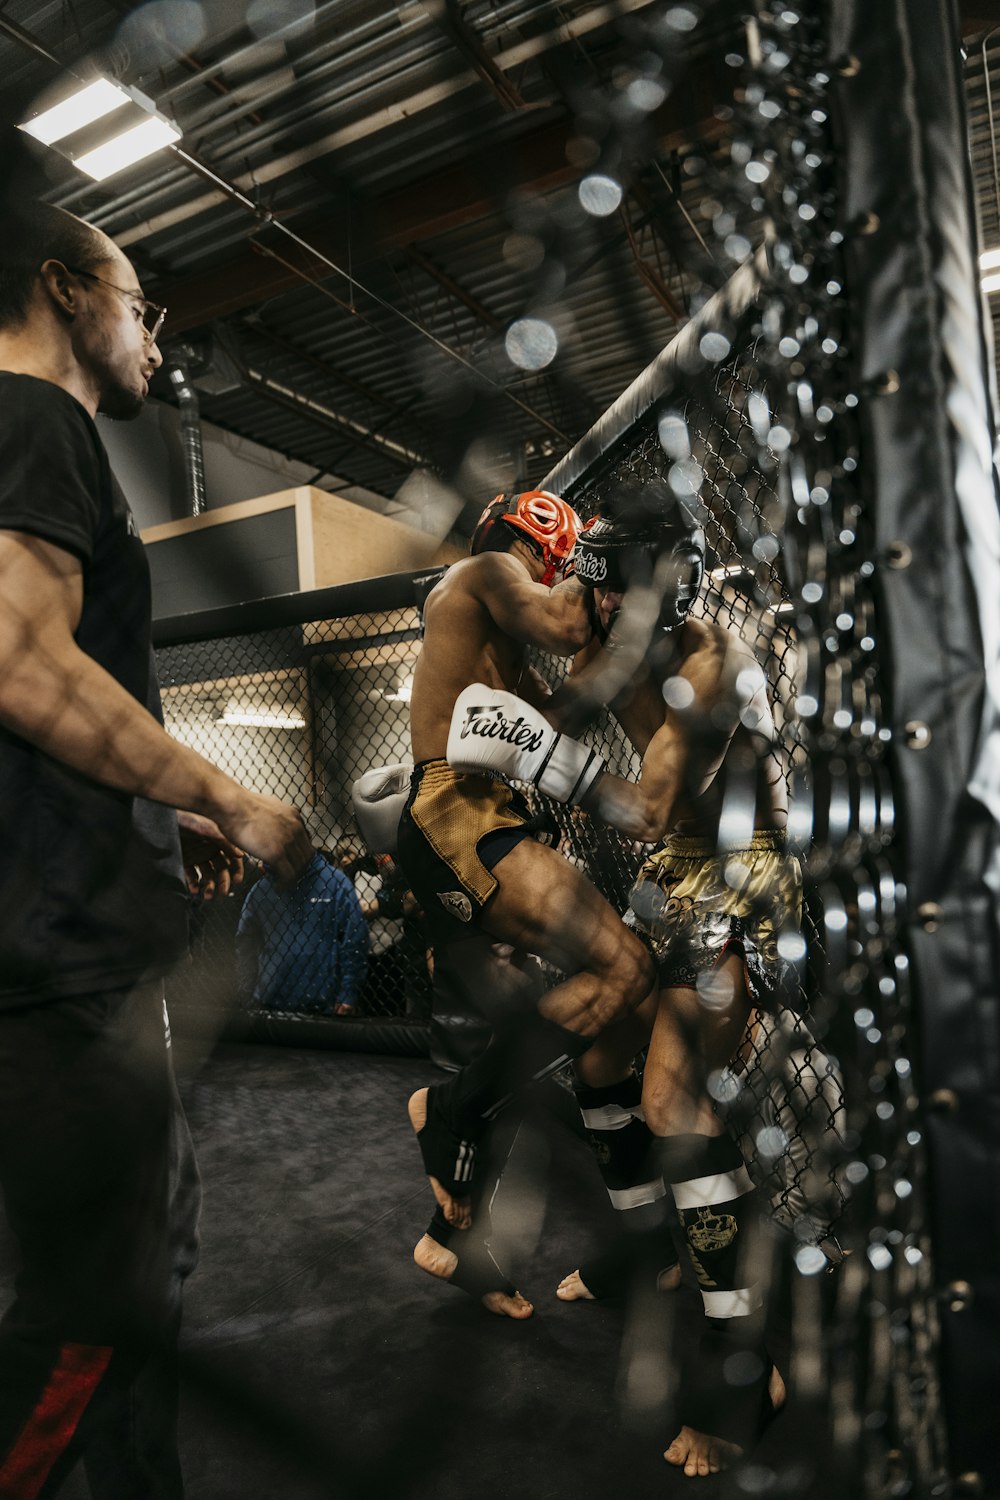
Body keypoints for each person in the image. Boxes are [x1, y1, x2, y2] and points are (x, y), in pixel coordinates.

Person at [0, 201, 312, 1498]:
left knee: (150, 1262)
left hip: (81, 936)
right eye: (139, 302)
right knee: (95, 1300)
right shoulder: (32, 417)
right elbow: (19, 664)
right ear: (70, 290)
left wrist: (154, 806)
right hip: (54, 955)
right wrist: (232, 799)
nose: (152, 335)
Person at [448, 481, 801, 1476]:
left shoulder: (712, 668)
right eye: (593, 591)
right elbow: (535, 655)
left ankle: (746, 1365)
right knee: (599, 1049)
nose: (594, 607)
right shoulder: (613, 635)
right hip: (669, 876)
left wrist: (530, 749)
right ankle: (641, 1257)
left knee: (670, 1100)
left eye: (608, 590)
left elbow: (647, 803)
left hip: (740, 871)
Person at [394, 489, 655, 1318]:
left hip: (476, 823)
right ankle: (452, 1108)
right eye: (568, 564)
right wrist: (624, 563)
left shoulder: (494, 643)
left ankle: (459, 1237)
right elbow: (570, 625)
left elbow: (552, 714)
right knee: (626, 968)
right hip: (462, 819)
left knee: (604, 1015)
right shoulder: (487, 571)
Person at [236, 850, 368, 1013]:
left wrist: (348, 994)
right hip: (270, 1000)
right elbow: (245, 943)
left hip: (324, 1001)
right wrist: (247, 992)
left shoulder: (334, 882)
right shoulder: (261, 889)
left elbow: (355, 940)